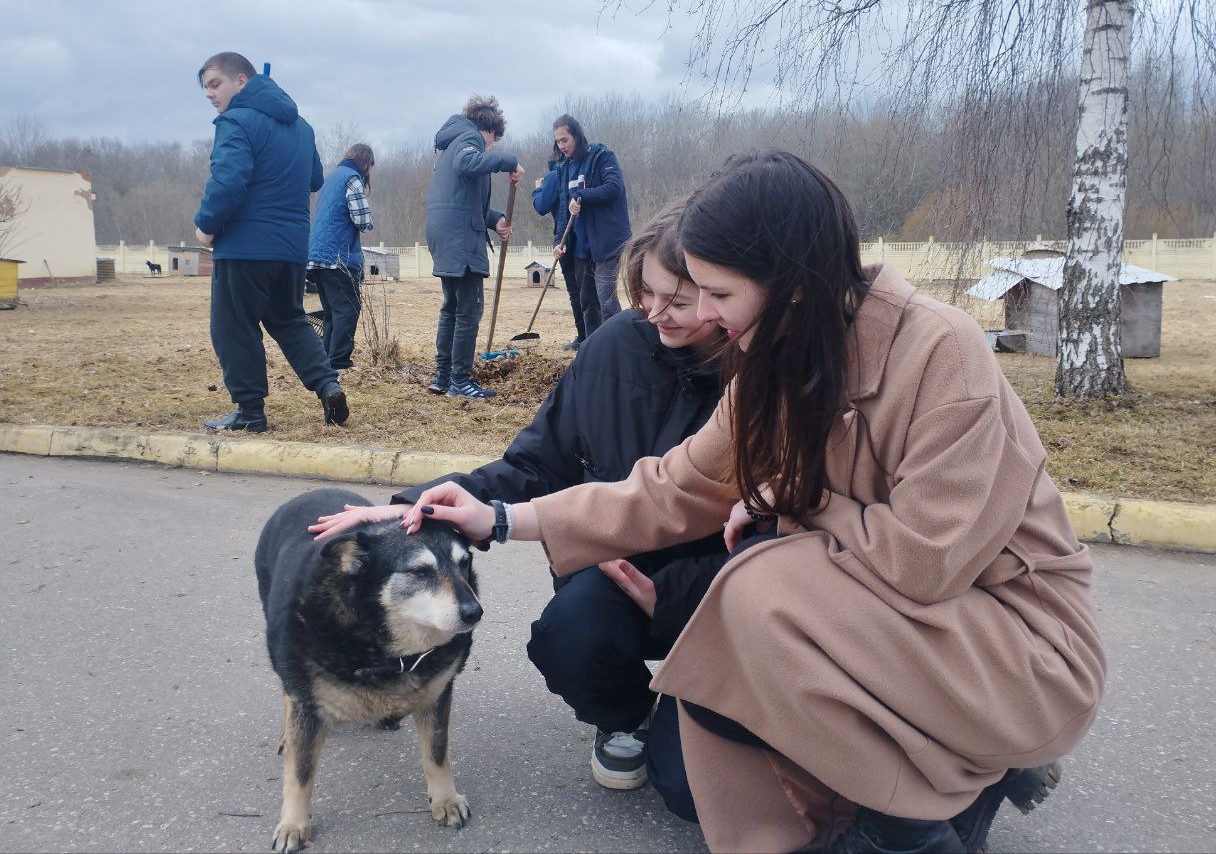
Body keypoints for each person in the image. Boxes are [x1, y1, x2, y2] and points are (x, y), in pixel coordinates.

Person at [413, 150, 1107, 853]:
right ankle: (839, 817)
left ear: (792, 285)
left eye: (716, 293)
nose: (702, 314)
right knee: (700, 770)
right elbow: (673, 488)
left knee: (761, 584)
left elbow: (924, 562)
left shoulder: (940, 349)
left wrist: (800, 500)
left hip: (1010, 651)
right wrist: (497, 519)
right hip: (885, 633)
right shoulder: (774, 365)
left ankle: (922, 817)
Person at [308, 205, 727, 807]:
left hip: (714, 591)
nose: (657, 313)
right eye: (647, 293)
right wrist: (405, 513)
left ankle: (704, 700)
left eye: (679, 301)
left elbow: (772, 537)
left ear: (724, 297)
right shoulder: (614, 349)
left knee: (693, 795)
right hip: (608, 574)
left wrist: (680, 591)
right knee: (569, 634)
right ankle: (634, 712)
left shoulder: (756, 385)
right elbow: (534, 465)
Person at [193, 52, 348, 433]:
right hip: (292, 248)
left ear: (242, 80)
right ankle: (328, 385)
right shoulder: (302, 127)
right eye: (206, 88)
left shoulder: (234, 122)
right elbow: (314, 178)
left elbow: (228, 181)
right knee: (289, 319)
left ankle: (249, 412)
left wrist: (205, 226)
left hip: (245, 246)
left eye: (216, 84)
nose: (210, 95)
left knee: (234, 326)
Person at [425, 95, 523, 399]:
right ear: (490, 130)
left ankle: (442, 376)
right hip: (459, 237)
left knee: (451, 307)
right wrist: (509, 161)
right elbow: (468, 164)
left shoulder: (452, 141)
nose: (491, 147)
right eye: (494, 141)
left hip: (446, 233)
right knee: (469, 309)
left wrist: (495, 221)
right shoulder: (469, 139)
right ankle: (460, 381)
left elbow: (465, 199)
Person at [535, 115, 631, 342]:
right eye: (558, 142)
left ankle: (618, 346)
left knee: (606, 299)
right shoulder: (565, 168)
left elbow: (614, 188)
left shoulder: (601, 156)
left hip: (607, 241)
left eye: (565, 140)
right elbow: (563, 212)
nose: (561, 146)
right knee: (587, 301)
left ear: (577, 136)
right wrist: (559, 242)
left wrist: (582, 195)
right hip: (581, 245)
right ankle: (592, 348)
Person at [307, 143, 375, 371]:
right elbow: (362, 220)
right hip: (338, 257)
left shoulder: (332, 178)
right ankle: (339, 361)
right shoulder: (351, 178)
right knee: (348, 308)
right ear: (365, 162)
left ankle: (327, 358)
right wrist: (369, 222)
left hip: (317, 255)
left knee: (331, 312)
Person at [531, 126, 587, 350]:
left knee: (576, 290)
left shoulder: (554, 176)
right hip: (580, 236)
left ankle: (583, 336)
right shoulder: (576, 171)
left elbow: (542, 206)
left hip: (566, 239)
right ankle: (587, 334)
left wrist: (537, 190)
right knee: (586, 289)